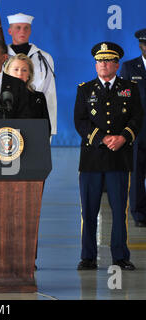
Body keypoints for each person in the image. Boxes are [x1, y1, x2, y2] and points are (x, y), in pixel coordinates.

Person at [74, 42, 143, 270]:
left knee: (119, 209)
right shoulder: (85, 89)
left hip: (119, 158)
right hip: (92, 159)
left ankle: (120, 256)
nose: (102, 64)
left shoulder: (129, 88)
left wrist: (123, 136)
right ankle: (88, 257)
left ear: (116, 64)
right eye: (99, 61)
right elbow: (80, 121)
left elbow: (137, 118)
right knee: (89, 210)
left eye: (107, 60)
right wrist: (102, 138)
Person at [7, 13, 57, 138]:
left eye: (26, 28)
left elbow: (50, 94)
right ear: (10, 31)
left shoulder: (45, 58)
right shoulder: (1, 57)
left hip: (35, 117)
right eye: (18, 27)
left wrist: (50, 130)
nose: (22, 31)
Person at [120, 29, 146, 227]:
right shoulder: (129, 68)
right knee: (136, 171)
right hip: (138, 128)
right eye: (145, 44)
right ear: (140, 45)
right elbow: (124, 99)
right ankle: (138, 213)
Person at [4, 53, 51, 135]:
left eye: (24, 70)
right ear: (7, 72)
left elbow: (46, 129)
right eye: (16, 69)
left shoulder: (38, 98)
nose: (20, 73)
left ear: (29, 75)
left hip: (33, 144)